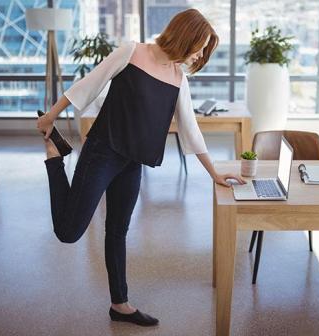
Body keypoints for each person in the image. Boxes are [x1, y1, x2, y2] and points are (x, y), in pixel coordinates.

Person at [36, 8, 245, 327]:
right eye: (199, 45)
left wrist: (215, 172)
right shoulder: (132, 52)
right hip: (102, 151)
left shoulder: (178, 77)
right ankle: (54, 158)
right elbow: (88, 85)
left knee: (117, 231)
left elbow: (191, 129)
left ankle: (120, 305)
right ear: (184, 35)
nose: (200, 53)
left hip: (133, 161)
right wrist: (51, 116)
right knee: (68, 232)